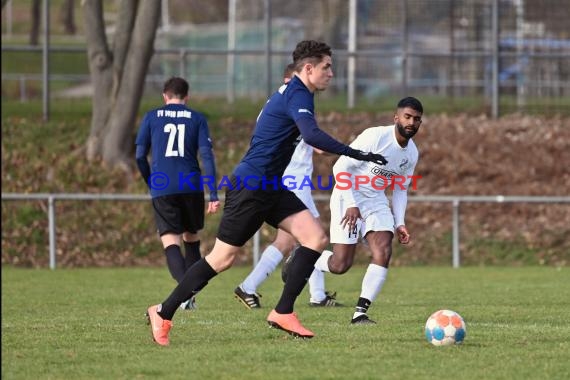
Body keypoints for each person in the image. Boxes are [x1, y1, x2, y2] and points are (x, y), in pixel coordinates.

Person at [145, 40, 388, 346]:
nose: (331, 72)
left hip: (271, 185)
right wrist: (356, 153)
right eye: (327, 66)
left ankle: (283, 311)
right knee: (221, 259)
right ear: (309, 68)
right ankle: (162, 311)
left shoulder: (296, 94)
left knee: (314, 237)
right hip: (251, 186)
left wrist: (344, 152)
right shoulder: (297, 94)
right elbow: (312, 135)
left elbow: (308, 139)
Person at [234, 63, 340, 309]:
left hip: (284, 177)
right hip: (293, 179)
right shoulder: (293, 104)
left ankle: (250, 287)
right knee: (313, 236)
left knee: (288, 241)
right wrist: (347, 152)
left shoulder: (273, 104)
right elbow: (317, 145)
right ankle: (316, 295)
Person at [312, 96, 423, 324]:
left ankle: (360, 313)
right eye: (407, 117)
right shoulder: (375, 136)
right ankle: (307, 258)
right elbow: (340, 166)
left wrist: (399, 221)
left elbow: (401, 189)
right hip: (348, 194)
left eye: (417, 119)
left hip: (376, 201)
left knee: (383, 249)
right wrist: (352, 204)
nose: (412, 122)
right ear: (396, 118)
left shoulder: (411, 153)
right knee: (340, 265)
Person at [135, 77, 220, 310]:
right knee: (191, 238)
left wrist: (150, 181)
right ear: (187, 97)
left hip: (163, 186)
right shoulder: (197, 118)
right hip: (191, 185)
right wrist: (213, 193)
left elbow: (140, 155)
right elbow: (207, 156)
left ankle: (184, 295)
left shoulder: (152, 116)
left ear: (165, 96)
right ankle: (188, 295)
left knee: (170, 241)